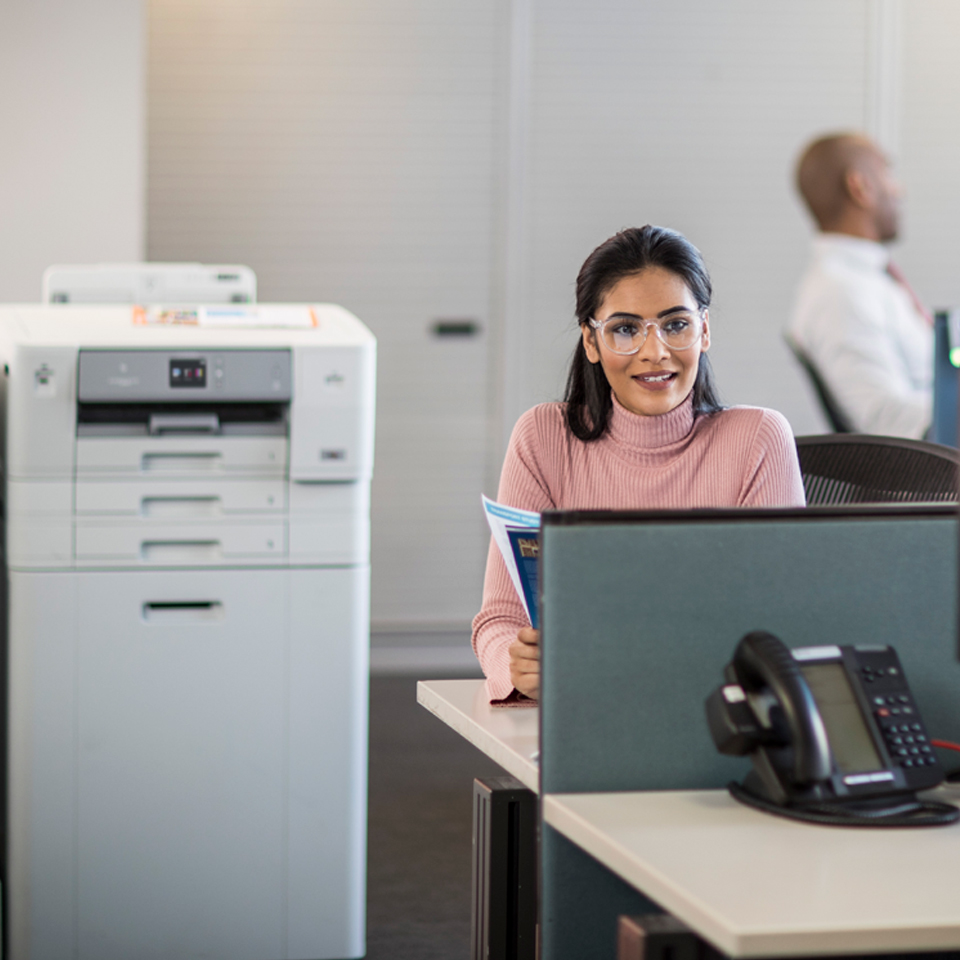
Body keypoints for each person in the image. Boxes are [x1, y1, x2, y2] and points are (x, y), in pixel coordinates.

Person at [472, 225, 806, 705]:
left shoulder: (758, 439)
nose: (655, 352)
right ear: (591, 341)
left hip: (716, 713)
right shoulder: (544, 437)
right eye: (626, 329)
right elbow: (500, 619)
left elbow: (783, 622)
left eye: (675, 324)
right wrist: (516, 663)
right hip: (582, 709)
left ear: (704, 330)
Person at [788, 133, 932, 438]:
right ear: (861, 187)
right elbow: (884, 419)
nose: (899, 190)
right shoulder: (839, 293)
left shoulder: (868, 280)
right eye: (888, 175)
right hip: (930, 473)